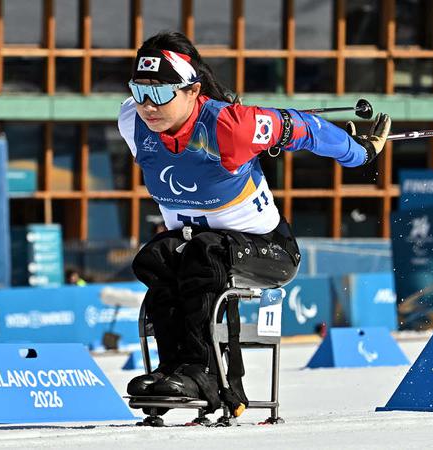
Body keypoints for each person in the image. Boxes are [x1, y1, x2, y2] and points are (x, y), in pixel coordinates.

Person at [118, 31, 391, 416]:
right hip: (203, 246)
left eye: (161, 93)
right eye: (139, 91)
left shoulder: (231, 127)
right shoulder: (132, 121)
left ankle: (204, 374)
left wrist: (358, 153)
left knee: (203, 251)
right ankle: (174, 369)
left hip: (268, 249)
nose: (148, 105)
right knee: (156, 258)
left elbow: (303, 128)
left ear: (193, 91)